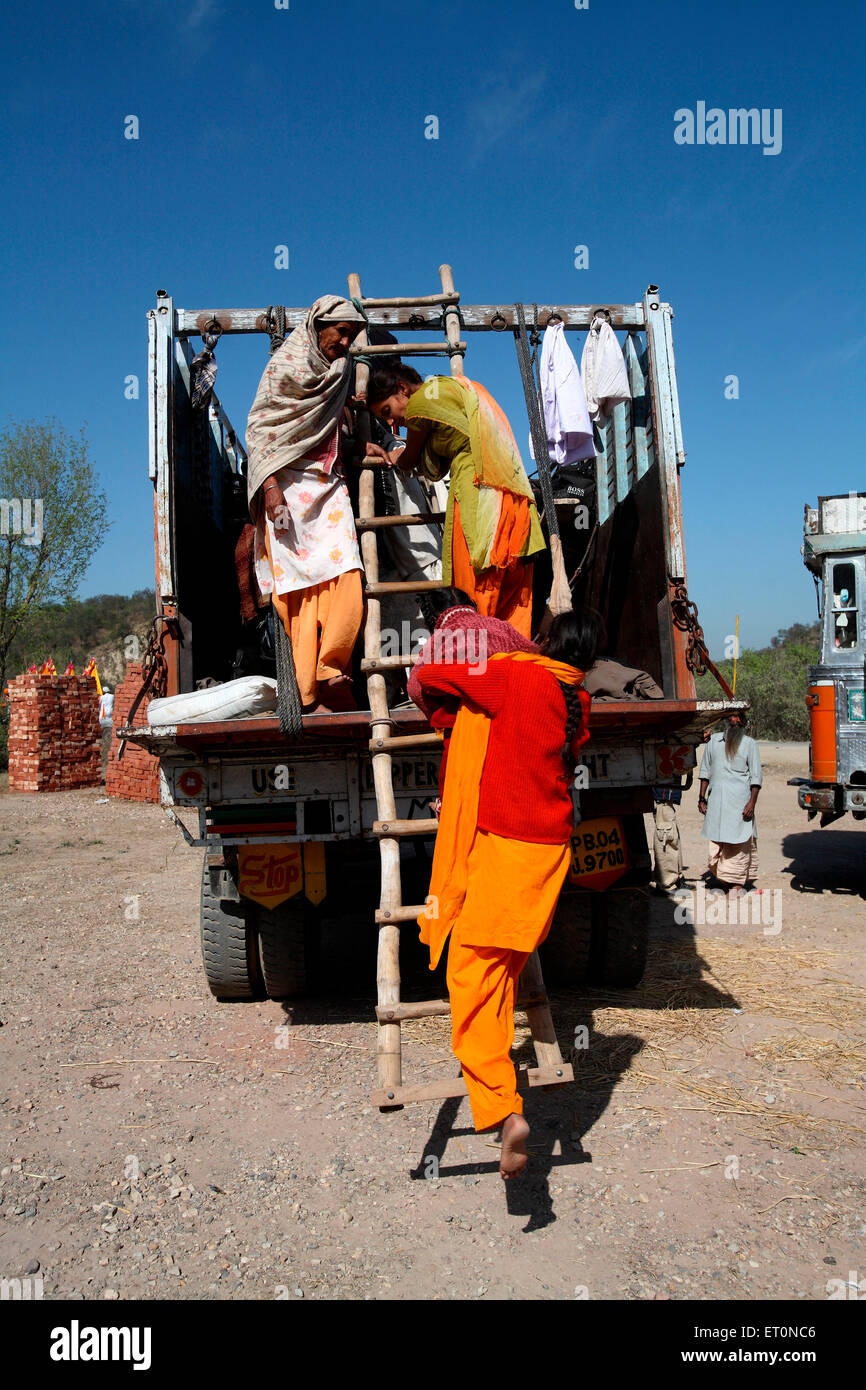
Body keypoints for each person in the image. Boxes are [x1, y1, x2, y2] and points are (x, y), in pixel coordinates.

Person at [414, 610, 598, 1178]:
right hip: (549, 852)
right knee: (498, 975)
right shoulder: (577, 699)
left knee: (469, 975)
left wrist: (479, 647)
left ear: (542, 641)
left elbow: (434, 674)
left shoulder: (515, 674)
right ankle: (499, 1097)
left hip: (507, 845)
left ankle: (501, 1109)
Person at [245, 295, 389, 712]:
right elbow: (261, 434)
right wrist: (270, 490)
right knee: (299, 591)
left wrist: (367, 445)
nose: (345, 343)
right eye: (340, 332)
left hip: (328, 487)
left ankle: (330, 664)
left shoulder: (340, 374)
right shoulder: (282, 370)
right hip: (285, 489)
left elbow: (325, 436)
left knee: (347, 574)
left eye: (351, 335)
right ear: (317, 325)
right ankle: (309, 690)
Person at [367, 364, 545, 638]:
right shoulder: (456, 389)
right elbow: (435, 463)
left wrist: (394, 454)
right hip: (516, 505)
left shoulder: (420, 402)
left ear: (402, 389)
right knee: (512, 606)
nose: (391, 423)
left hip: (481, 506)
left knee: (473, 597)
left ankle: (478, 674)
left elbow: (411, 460)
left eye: (387, 412)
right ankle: (509, 668)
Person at [408, 588, 539, 809]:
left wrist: (438, 716)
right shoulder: (502, 627)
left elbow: (415, 688)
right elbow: (534, 657)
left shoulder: (441, 638)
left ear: (432, 616)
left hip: (461, 732)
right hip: (509, 725)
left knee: (462, 803)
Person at [698, 713, 762, 892]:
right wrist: (702, 797)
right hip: (716, 803)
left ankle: (736, 885)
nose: (735, 722)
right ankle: (725, 881)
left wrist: (752, 803)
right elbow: (705, 771)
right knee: (716, 846)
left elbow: (756, 777)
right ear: (725, 722)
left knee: (738, 844)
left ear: (743, 724)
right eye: (731, 719)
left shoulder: (750, 744)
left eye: (738, 721)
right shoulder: (713, 743)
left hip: (740, 805)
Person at [651, 786, 685, 894]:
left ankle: (675, 878)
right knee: (666, 837)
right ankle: (666, 883)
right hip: (663, 798)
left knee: (671, 836)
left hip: (666, 799)